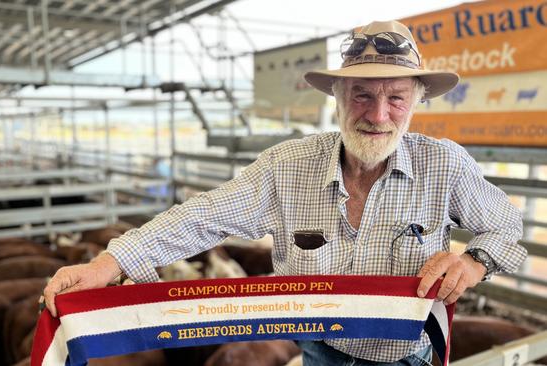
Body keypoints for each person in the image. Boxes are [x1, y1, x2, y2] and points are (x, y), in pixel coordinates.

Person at [43, 20, 526, 365]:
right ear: (336, 99)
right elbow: (201, 217)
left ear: (417, 102)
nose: (378, 115)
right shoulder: (287, 167)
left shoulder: (444, 165)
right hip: (318, 354)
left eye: (396, 97)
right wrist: (106, 265)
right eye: (361, 95)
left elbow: (505, 223)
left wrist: (473, 261)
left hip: (408, 358)